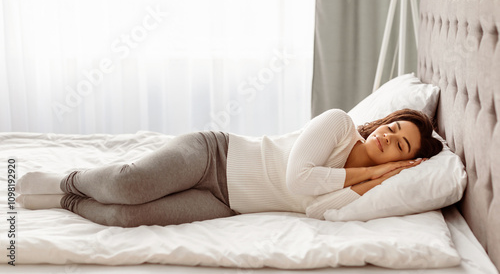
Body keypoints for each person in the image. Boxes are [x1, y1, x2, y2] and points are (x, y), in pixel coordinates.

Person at [16, 108, 443, 227]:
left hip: (227, 204)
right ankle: (64, 179)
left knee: (129, 216)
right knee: (132, 185)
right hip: (214, 155)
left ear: (403, 161)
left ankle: (67, 199)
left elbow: (316, 210)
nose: (387, 136)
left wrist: (374, 183)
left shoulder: (370, 182)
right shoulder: (339, 123)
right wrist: (368, 173)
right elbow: (298, 180)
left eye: (399, 145)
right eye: (392, 127)